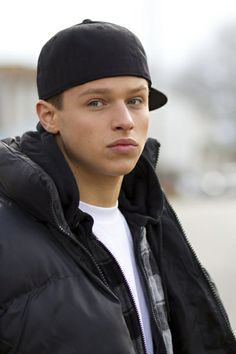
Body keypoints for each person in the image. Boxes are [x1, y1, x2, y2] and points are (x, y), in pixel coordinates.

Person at [0, 19, 235, 354]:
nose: (125, 119)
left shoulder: (150, 217)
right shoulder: (8, 235)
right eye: (97, 102)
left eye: (136, 101)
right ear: (49, 115)